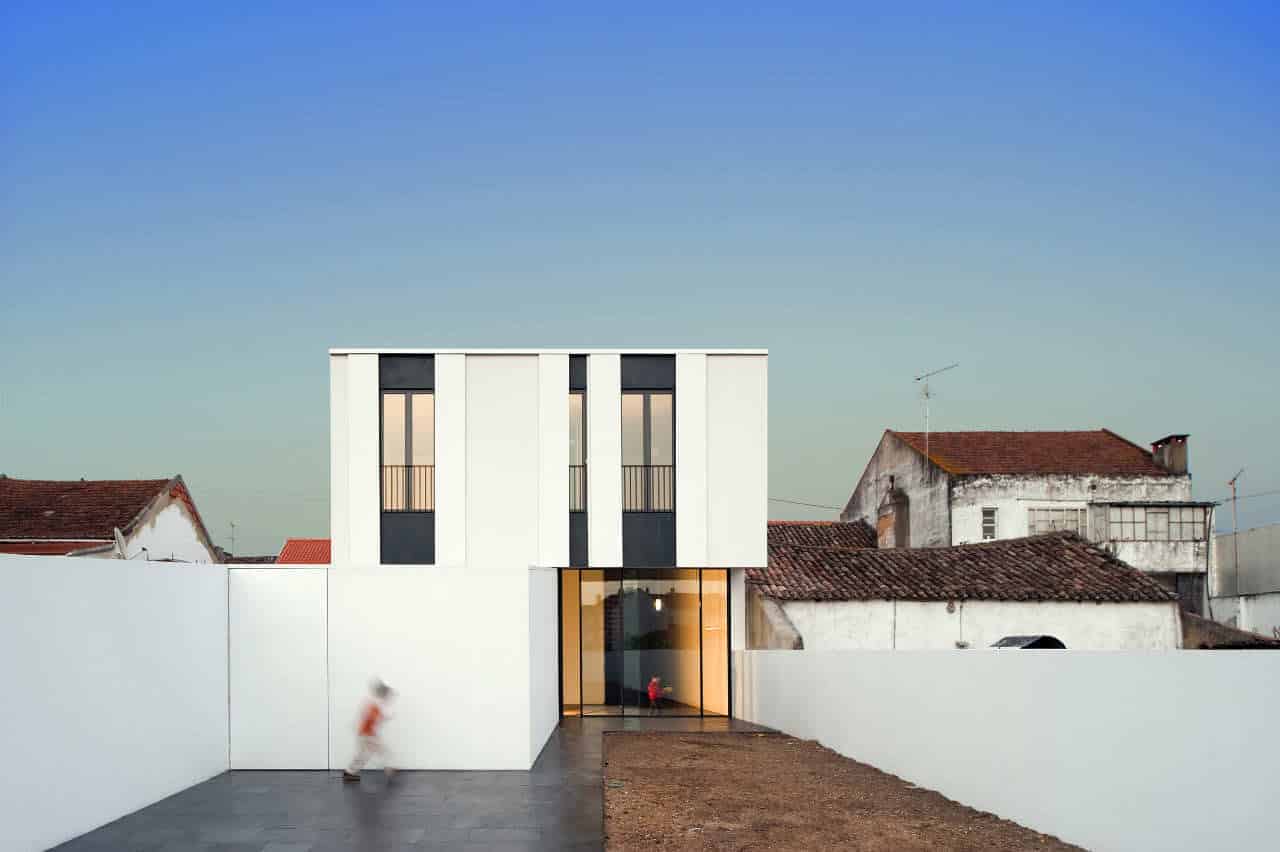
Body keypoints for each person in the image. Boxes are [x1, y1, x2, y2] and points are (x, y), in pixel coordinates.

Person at [343, 680, 395, 782]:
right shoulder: (375, 703)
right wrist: (384, 717)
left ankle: (349, 772)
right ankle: (389, 769)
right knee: (381, 750)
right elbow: (372, 717)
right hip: (367, 734)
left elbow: (373, 717)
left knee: (364, 754)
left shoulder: (375, 702)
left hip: (367, 733)